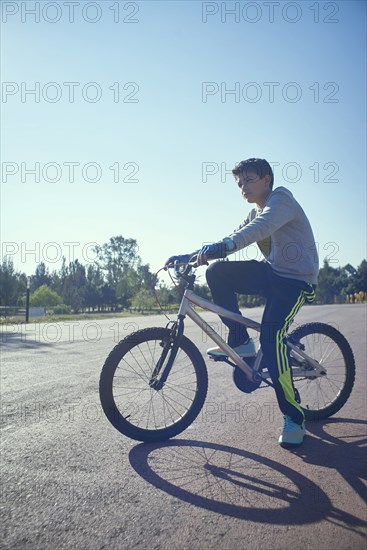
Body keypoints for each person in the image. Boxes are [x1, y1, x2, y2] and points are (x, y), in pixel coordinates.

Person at [166, 158, 319, 447]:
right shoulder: (255, 212)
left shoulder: (281, 199)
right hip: (274, 275)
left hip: (297, 282)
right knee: (217, 272)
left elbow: (256, 231)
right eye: (239, 184)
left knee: (272, 337)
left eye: (249, 180)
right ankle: (240, 340)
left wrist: (222, 247)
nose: (243, 188)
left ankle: (294, 418)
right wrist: (190, 256)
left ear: (266, 180)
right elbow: (234, 235)